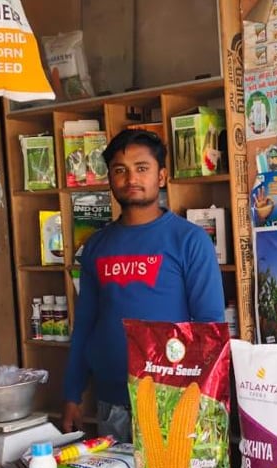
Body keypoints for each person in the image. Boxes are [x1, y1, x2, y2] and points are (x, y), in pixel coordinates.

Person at [62, 128, 225, 441]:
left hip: (172, 401)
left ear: (161, 176)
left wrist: (204, 403)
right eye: (120, 170)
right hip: (112, 399)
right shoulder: (97, 246)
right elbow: (84, 324)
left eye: (142, 168)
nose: (130, 179)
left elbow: (209, 329)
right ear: (109, 178)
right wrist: (72, 393)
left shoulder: (189, 241)